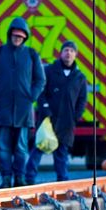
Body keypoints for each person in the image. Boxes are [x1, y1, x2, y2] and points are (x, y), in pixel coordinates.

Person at [0, 17, 45, 188]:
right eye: (15, 35)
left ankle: (19, 178)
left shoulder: (31, 54)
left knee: (21, 147)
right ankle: (5, 179)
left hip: (24, 110)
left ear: (25, 37)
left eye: (21, 36)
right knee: (3, 147)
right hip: (3, 108)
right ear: (10, 35)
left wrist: (31, 96)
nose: (18, 38)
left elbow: (40, 80)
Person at [27, 40, 88, 184]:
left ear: (75, 55)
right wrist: (45, 109)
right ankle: (28, 178)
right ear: (61, 53)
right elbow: (41, 93)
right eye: (66, 50)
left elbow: (82, 99)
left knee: (62, 153)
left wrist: (75, 116)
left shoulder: (79, 77)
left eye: (72, 51)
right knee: (39, 148)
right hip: (48, 119)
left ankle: (63, 181)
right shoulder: (49, 70)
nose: (69, 53)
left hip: (67, 121)